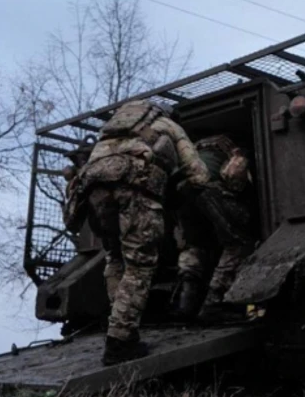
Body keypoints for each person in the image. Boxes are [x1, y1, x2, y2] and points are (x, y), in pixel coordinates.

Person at [63, 99, 209, 365]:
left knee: (115, 258)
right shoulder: (168, 125)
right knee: (139, 264)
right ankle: (120, 341)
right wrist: (172, 199)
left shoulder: (108, 133)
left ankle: (121, 329)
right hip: (136, 191)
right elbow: (200, 176)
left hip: (96, 193)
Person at [173, 134, 255, 321]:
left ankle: (185, 302)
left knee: (195, 245)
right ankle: (215, 304)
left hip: (182, 194)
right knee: (238, 244)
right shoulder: (234, 150)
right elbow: (233, 177)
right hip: (208, 190)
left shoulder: (192, 151)